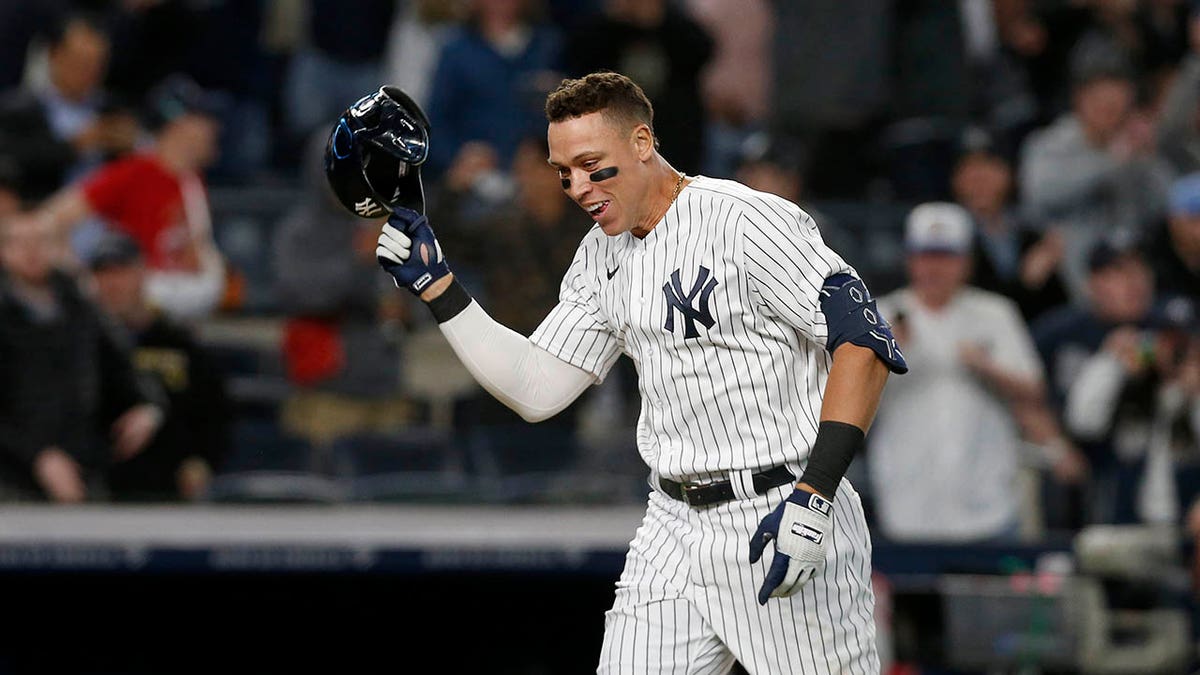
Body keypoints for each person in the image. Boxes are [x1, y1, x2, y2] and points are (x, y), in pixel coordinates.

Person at [367, 72, 907, 672]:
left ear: (643, 142)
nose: (575, 185)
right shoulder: (601, 255)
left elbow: (864, 343)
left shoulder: (745, 220)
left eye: (591, 163)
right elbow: (537, 387)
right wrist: (440, 288)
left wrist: (815, 495)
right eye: (562, 171)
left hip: (783, 509)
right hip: (671, 525)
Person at [867, 202, 1074, 543]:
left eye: (946, 256)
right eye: (925, 255)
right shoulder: (881, 314)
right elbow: (841, 397)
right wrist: (882, 358)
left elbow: (1034, 391)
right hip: (905, 501)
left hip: (988, 501)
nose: (934, 267)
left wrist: (985, 366)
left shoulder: (994, 313)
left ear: (966, 262)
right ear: (910, 259)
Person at [36, 74, 227, 322]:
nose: (215, 129)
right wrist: (81, 280)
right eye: (205, 120)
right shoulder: (135, 172)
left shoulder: (192, 181)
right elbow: (50, 219)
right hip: (131, 306)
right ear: (181, 125)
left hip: (175, 306)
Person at [0, 212, 161, 502]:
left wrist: (147, 406)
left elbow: (122, 370)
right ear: (4, 250)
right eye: (20, 242)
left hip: (82, 469)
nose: (32, 251)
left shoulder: (81, 308)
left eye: (41, 241)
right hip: (11, 479)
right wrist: (38, 456)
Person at [86, 232, 231, 502]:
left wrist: (203, 461)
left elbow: (214, 411)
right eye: (103, 275)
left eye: (121, 272)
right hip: (98, 486)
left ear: (142, 273)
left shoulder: (179, 343)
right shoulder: (80, 343)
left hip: (170, 486)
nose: (112, 284)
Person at [0, 12, 138, 201]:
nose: (88, 73)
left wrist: (130, 148)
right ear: (54, 55)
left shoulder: (114, 109)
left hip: (106, 221)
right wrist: (75, 146)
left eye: (96, 64)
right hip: (38, 217)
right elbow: (15, 161)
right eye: (80, 62)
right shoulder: (17, 109)